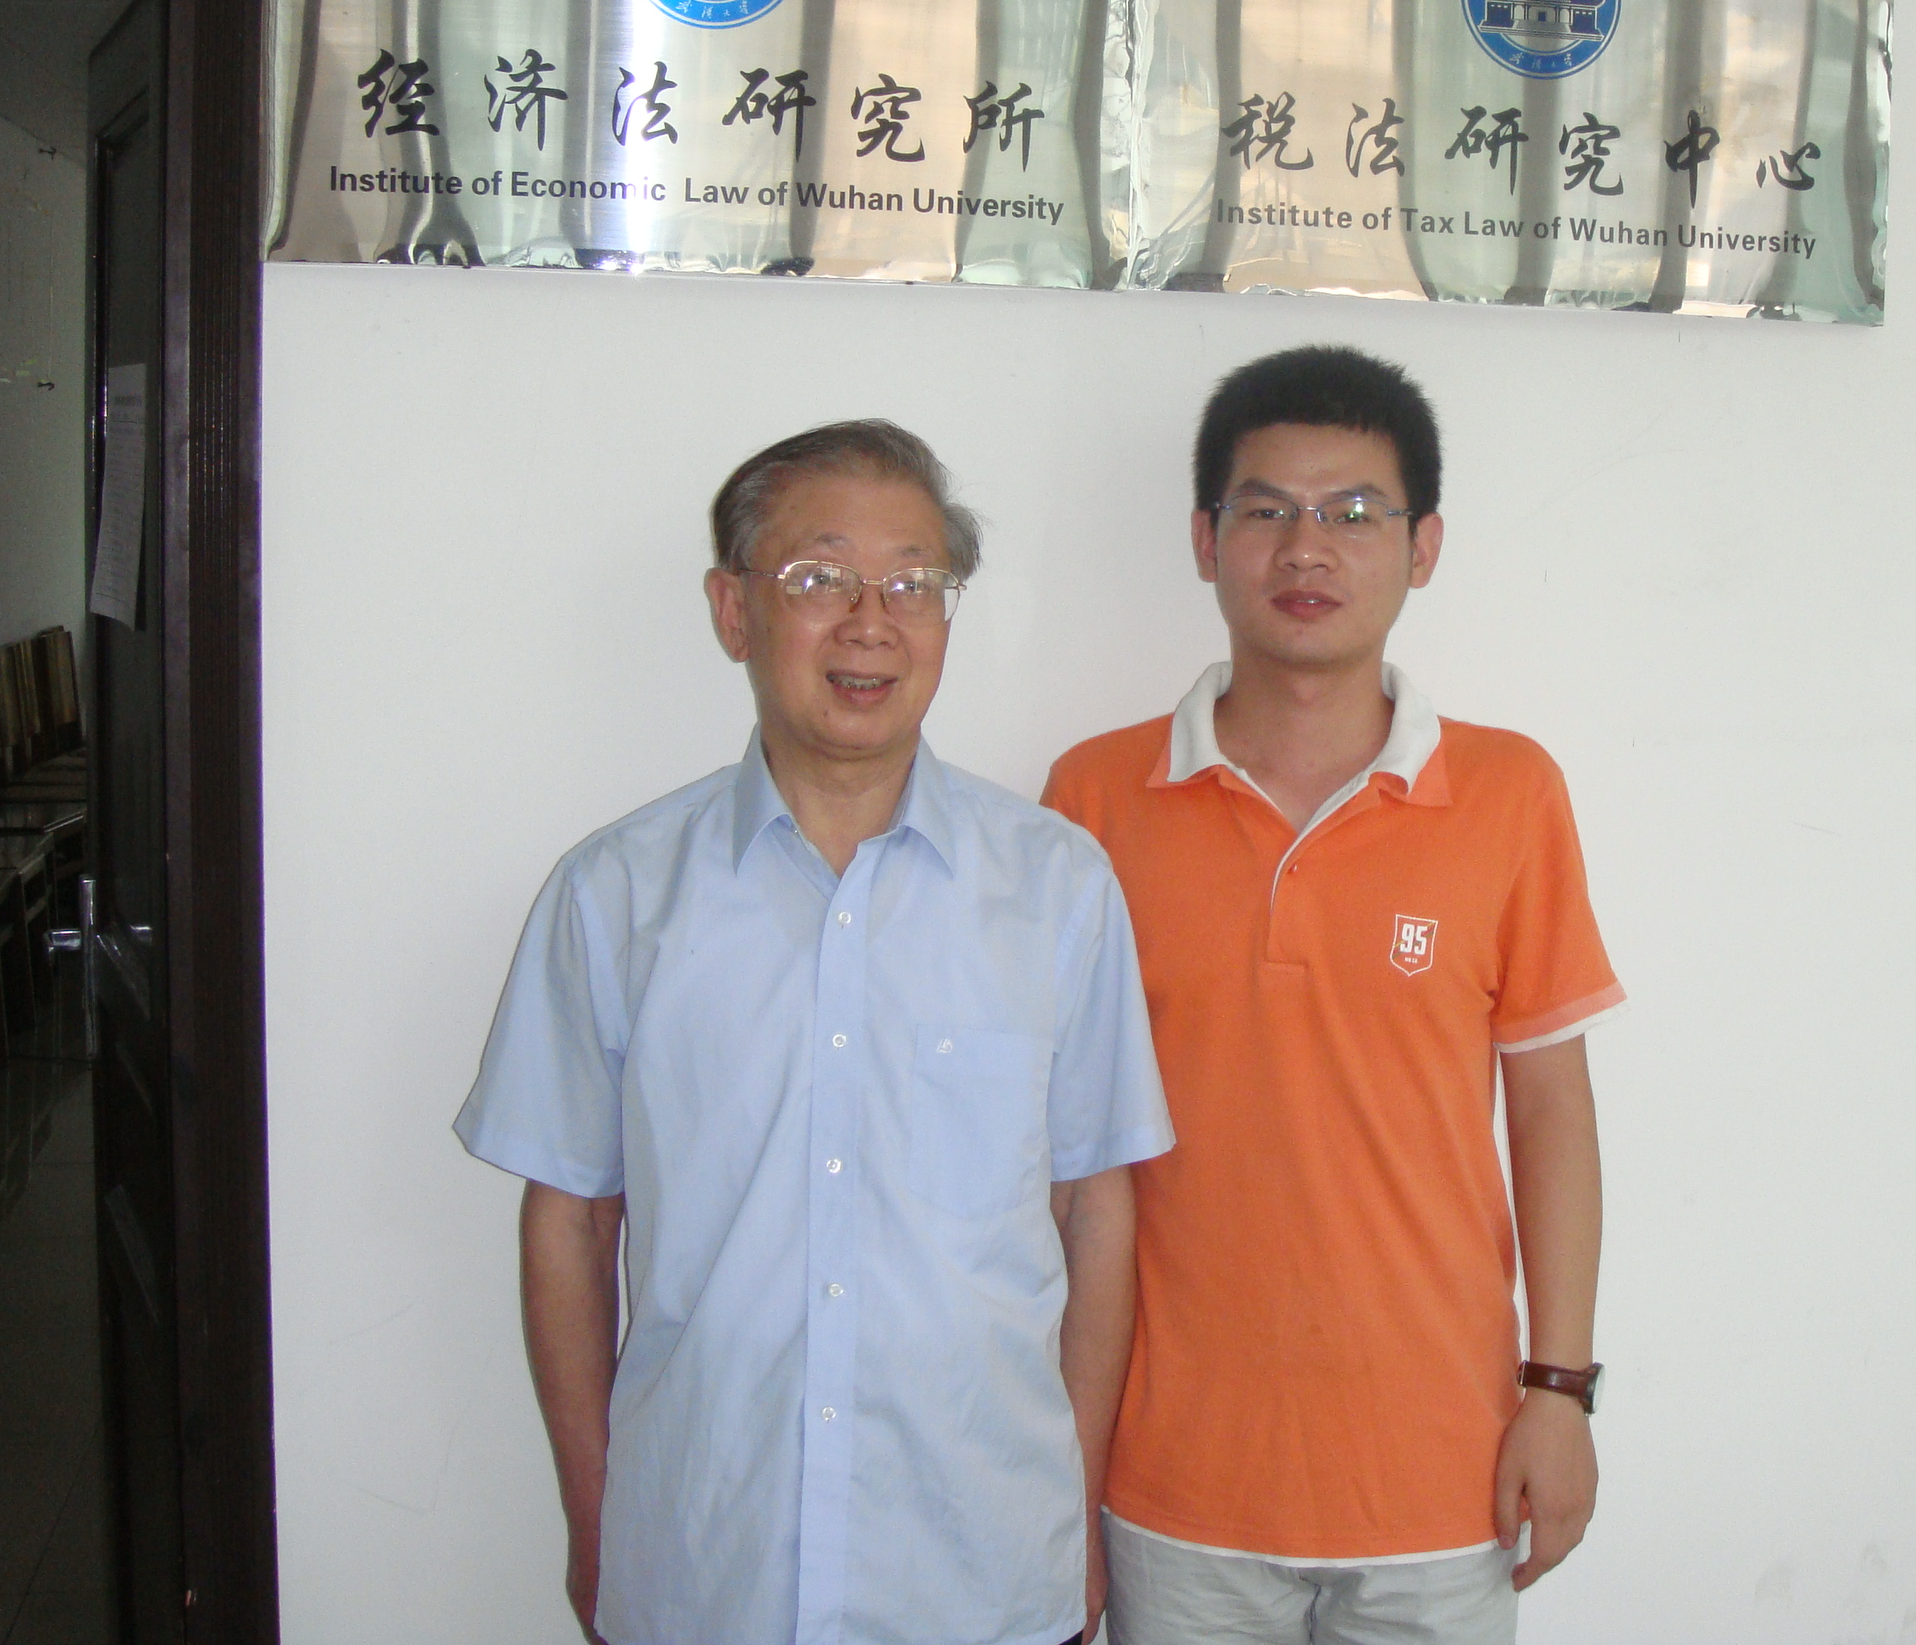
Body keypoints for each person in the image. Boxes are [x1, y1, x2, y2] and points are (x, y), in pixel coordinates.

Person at [456, 420, 1171, 1645]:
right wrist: (594, 1511)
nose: (870, 621)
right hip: (706, 1566)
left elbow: (1096, 1208)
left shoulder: (1058, 888)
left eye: (913, 582)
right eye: (818, 577)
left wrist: (1077, 1504)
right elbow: (568, 1219)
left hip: (987, 1570)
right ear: (733, 611)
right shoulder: (616, 895)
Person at [1043, 347, 1620, 1645]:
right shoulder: (1092, 801)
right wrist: (1065, 1459)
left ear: (1424, 548)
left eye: (1355, 512)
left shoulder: (1510, 795)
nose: (1308, 548)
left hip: (1442, 1476)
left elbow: (1551, 1113)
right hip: (1172, 1483)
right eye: (1267, 510)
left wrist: (1561, 1390)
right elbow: (1068, 1167)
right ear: (1207, 541)